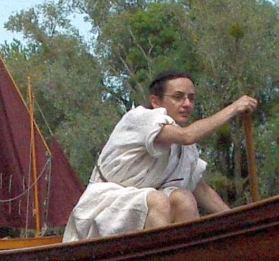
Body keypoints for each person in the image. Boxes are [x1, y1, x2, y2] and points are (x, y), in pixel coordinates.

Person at [62, 71, 258, 243]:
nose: (187, 104)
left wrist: (240, 223)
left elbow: (202, 190)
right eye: (178, 97)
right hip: (102, 209)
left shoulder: (185, 151)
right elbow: (187, 136)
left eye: (191, 98)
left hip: (142, 209)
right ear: (156, 101)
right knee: (156, 200)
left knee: (184, 198)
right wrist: (234, 108)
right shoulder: (141, 119)